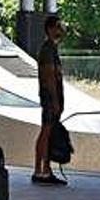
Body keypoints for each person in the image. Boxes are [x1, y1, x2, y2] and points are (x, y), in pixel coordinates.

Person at [33, 15, 68, 186]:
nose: (61, 30)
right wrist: (54, 100)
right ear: (50, 29)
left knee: (49, 132)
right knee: (46, 132)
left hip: (52, 97)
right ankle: (40, 169)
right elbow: (49, 77)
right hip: (49, 97)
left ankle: (45, 168)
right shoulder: (47, 50)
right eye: (58, 26)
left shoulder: (51, 49)